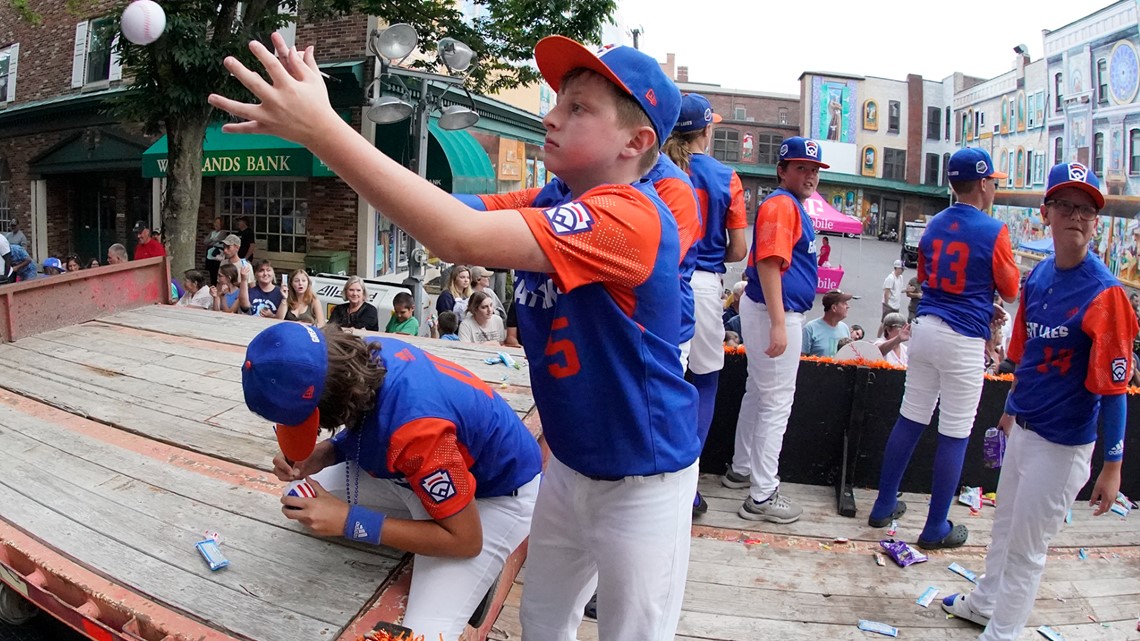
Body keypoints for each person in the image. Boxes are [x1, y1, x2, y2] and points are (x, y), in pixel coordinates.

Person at [211, 32, 698, 640]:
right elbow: (440, 210)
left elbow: (457, 238)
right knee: (544, 621)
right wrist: (326, 140)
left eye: (578, 108)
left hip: (642, 477)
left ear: (637, 141)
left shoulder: (631, 216)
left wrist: (323, 129)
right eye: (558, 100)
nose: (551, 115)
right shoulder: (555, 197)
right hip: (570, 465)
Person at [242, 323, 541, 640]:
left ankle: (471, 577)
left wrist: (350, 521)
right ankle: (445, 559)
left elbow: (467, 540)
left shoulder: (417, 433)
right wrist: (326, 452)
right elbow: (366, 421)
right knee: (300, 498)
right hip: (422, 473)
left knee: (419, 634)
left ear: (329, 407)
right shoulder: (359, 355)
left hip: (494, 499)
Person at [942, 163, 1135, 641]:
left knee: (1029, 548)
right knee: (1004, 526)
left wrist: (1112, 466)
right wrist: (1009, 410)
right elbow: (1024, 356)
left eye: (1087, 209)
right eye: (1066, 205)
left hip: (1064, 443)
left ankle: (1003, 632)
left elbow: (1114, 392)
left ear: (1097, 222)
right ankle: (984, 603)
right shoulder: (1039, 276)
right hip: (1025, 429)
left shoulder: (1107, 293)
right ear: (1045, 213)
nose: (1076, 216)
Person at [866, 148, 1020, 549]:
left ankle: (883, 505)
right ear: (984, 182)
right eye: (994, 182)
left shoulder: (933, 225)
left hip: (926, 328)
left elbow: (936, 282)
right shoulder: (993, 229)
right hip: (962, 338)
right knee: (954, 432)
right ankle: (935, 527)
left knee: (911, 417)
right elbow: (1011, 288)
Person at [722, 136, 826, 524]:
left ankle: (743, 468)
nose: (810, 175)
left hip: (764, 308)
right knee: (775, 403)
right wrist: (780, 324)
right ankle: (762, 495)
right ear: (782, 170)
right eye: (801, 167)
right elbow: (768, 263)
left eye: (814, 169)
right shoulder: (783, 204)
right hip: (773, 311)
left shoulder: (791, 204)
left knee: (759, 393)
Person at [662, 92, 748, 516]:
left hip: (658, 281)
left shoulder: (653, 167)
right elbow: (738, 250)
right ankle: (688, 488)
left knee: (661, 381)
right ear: (707, 131)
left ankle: (657, 478)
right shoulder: (725, 175)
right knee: (705, 382)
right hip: (703, 285)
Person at [801, 289, 854, 357]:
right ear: (834, 308)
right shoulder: (810, 328)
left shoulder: (844, 328)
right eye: (844, 303)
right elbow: (802, 359)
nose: (848, 306)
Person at [881, 259, 906, 328]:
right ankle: (878, 337)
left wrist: (906, 290)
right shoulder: (890, 278)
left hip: (896, 305)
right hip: (889, 305)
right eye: (901, 269)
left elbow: (899, 290)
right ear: (897, 268)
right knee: (885, 322)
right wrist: (886, 304)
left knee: (894, 323)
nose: (902, 271)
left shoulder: (900, 277)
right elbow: (887, 292)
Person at [205, 217, 228, 285]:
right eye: (215, 223)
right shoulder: (212, 232)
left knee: (216, 271)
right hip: (210, 253)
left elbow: (218, 239)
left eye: (218, 223)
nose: (216, 225)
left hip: (217, 253)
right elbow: (205, 241)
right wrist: (212, 240)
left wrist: (211, 240)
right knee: (211, 271)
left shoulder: (223, 232)